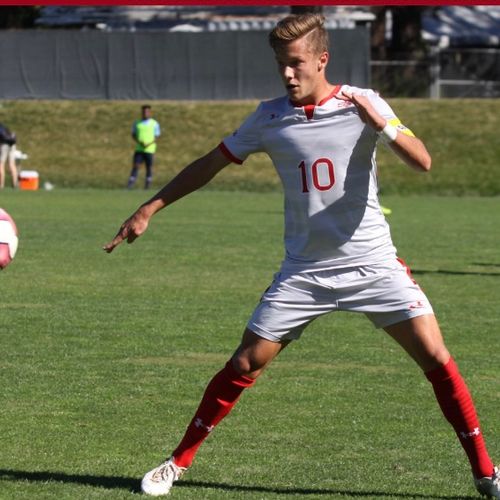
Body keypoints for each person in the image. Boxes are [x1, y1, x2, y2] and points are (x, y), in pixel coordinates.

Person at [104, 14, 499, 498]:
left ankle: (486, 472)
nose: (287, 74)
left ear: (321, 59)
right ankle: (177, 462)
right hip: (305, 271)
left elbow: (423, 160)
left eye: (296, 64)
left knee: (437, 359)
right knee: (246, 363)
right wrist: (150, 207)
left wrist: (384, 127)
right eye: (280, 65)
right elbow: (209, 163)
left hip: (373, 265)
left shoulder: (364, 102)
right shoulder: (269, 116)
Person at [127, 105, 161, 190]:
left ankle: (147, 185)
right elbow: (133, 134)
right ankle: (130, 184)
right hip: (139, 148)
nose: (145, 113)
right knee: (136, 166)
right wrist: (139, 141)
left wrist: (149, 143)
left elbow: (157, 136)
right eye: (144, 112)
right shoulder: (137, 122)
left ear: (150, 112)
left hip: (149, 149)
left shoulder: (154, 123)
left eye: (147, 111)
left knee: (149, 167)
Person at [0, 122, 18, 189]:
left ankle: (1, 185)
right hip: (12, 145)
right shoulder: (3, 126)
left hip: (4, 145)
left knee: (1, 164)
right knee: (12, 164)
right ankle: (15, 184)